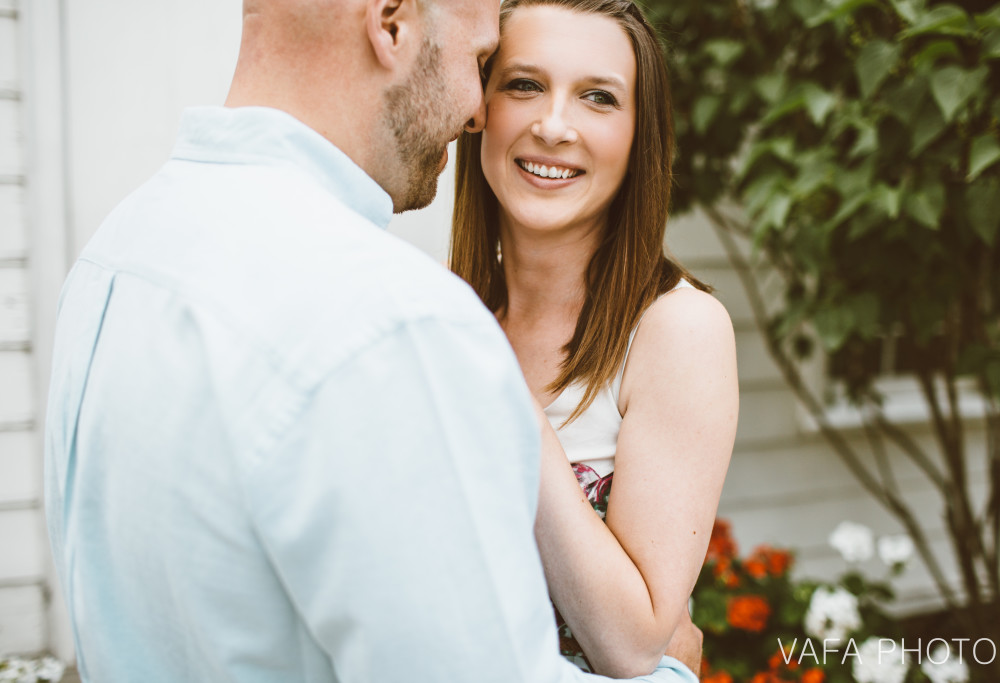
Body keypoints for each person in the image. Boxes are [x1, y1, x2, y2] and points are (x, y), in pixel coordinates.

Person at [43, 0, 702, 681]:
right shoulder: (396, 323)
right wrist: (671, 675)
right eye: (485, 63)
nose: (477, 112)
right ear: (390, 24)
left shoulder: (116, 256)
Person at [452, 0, 738, 676]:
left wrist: (497, 383)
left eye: (598, 98)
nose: (553, 126)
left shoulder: (676, 329)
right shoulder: (436, 308)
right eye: (523, 85)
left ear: (641, 135)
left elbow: (631, 642)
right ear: (477, 107)